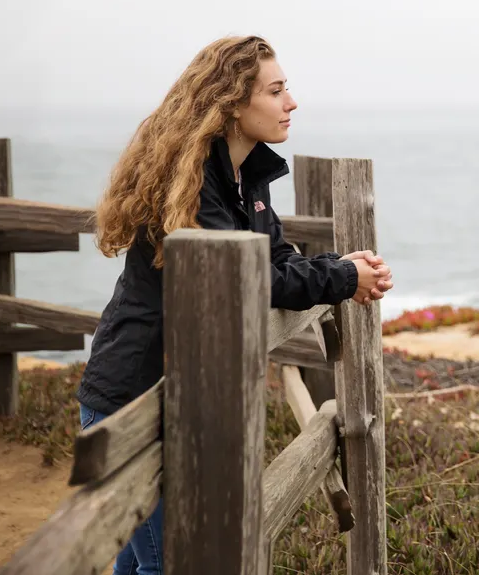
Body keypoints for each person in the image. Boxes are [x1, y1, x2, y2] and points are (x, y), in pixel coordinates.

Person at [75, 35, 392, 575]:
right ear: (231, 103)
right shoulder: (196, 186)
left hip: (175, 394)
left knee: (140, 564)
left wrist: (343, 267)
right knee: (167, 562)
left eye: (286, 88)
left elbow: (275, 256)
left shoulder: (248, 176)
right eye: (276, 90)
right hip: (133, 394)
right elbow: (249, 281)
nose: (291, 102)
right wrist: (342, 276)